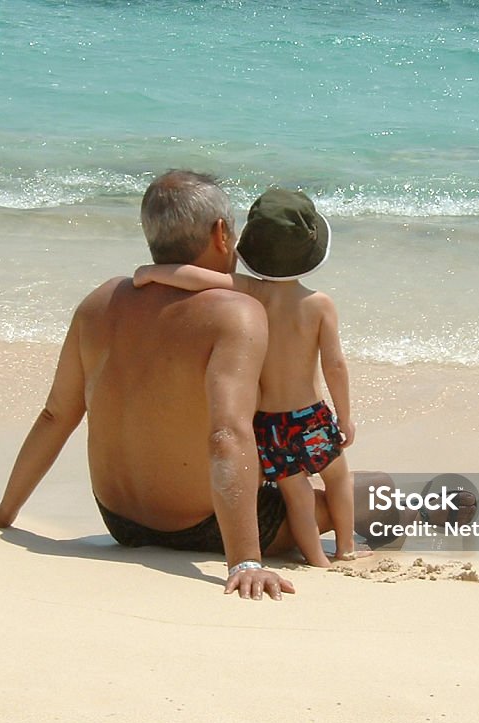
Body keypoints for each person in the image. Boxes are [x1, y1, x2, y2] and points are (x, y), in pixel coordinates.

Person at [0, 171, 344, 599]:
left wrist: (4, 510)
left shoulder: (99, 302)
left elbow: (56, 414)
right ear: (222, 234)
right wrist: (244, 560)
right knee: (370, 492)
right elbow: (226, 435)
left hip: (120, 520)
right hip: (205, 526)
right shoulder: (236, 313)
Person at [133, 188, 360, 567]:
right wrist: (345, 416)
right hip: (310, 417)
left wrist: (151, 272)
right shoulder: (319, 304)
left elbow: (193, 277)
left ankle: (317, 559)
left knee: (296, 495)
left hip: (269, 426)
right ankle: (348, 547)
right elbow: (334, 365)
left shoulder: (250, 291)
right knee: (338, 479)